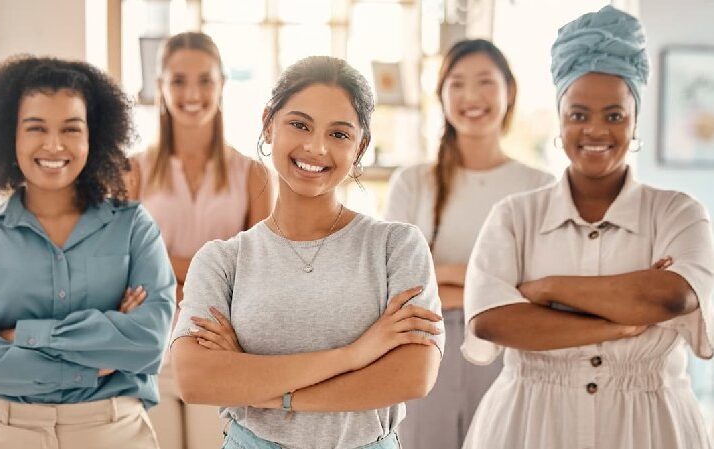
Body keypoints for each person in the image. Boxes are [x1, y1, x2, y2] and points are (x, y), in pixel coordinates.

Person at [461, 6, 714, 448]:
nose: (595, 129)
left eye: (614, 115)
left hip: (650, 426)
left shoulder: (678, 212)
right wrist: (620, 324)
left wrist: (548, 289)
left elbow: (672, 295)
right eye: (579, 114)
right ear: (559, 119)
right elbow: (492, 321)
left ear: (635, 118)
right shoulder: (514, 216)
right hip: (530, 423)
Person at [170, 56, 445, 448]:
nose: (315, 147)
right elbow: (196, 379)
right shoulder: (222, 260)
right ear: (269, 125)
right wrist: (355, 355)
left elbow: (412, 375)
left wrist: (261, 385)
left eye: (339, 134)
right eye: (299, 125)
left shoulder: (395, 246)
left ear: (360, 146)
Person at [0, 56, 175, 449]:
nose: (54, 145)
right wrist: (99, 356)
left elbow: (149, 341)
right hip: (5, 434)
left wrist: (25, 336)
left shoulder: (133, 227)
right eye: (36, 128)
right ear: (9, 135)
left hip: (114, 433)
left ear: (93, 136)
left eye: (71, 128)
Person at [384, 39, 553, 449]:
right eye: (457, 84)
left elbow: (539, 292)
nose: (471, 96)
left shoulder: (539, 187)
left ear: (509, 91)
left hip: (510, 354)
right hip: (422, 347)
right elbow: (397, 288)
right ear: (441, 95)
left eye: (485, 82)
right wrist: (493, 284)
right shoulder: (411, 182)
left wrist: (438, 275)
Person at [126, 31, 273, 449]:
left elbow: (258, 269)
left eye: (204, 80)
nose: (192, 93)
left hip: (219, 347)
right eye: (178, 81)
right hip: (148, 347)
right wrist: (213, 271)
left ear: (222, 84)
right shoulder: (132, 172)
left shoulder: (254, 175)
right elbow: (122, 265)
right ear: (160, 87)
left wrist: (163, 269)